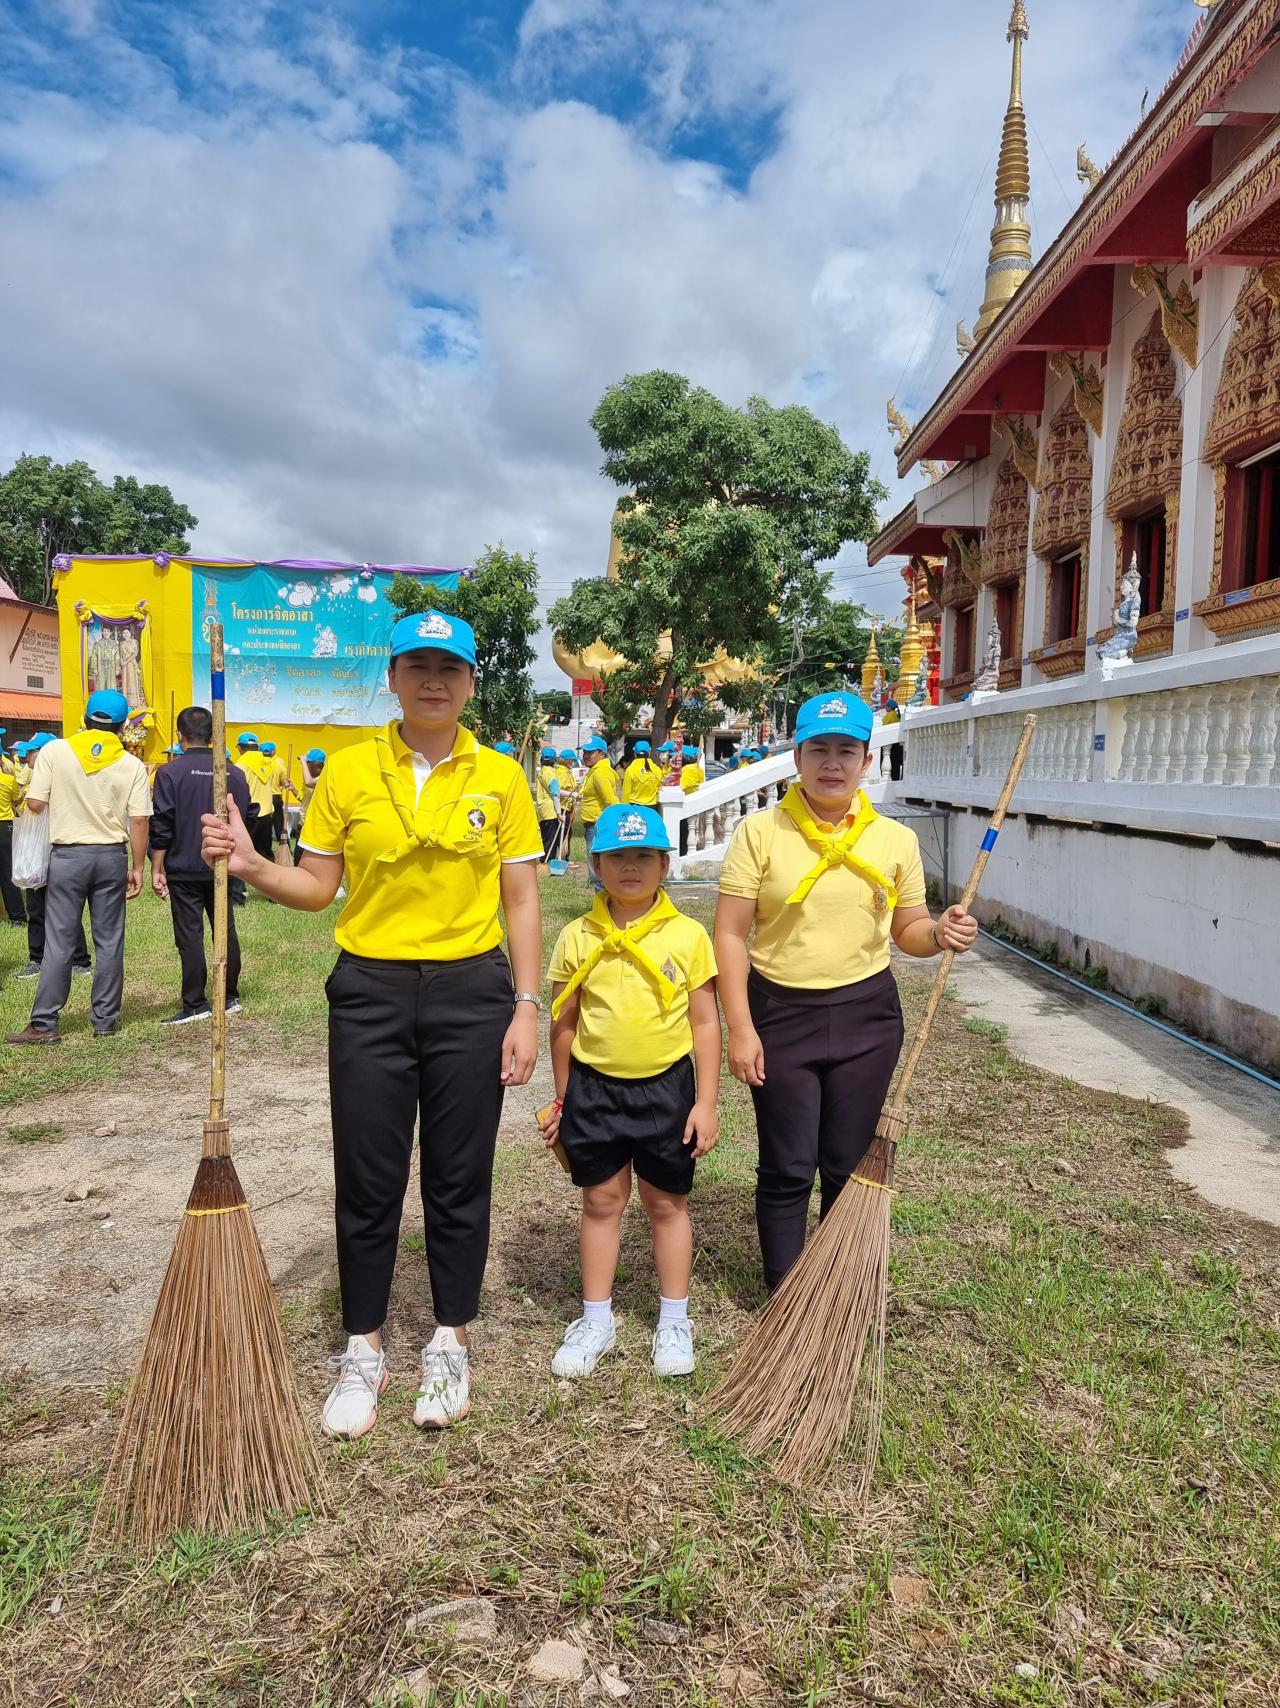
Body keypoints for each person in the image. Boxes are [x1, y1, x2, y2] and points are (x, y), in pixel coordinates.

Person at [200, 609, 543, 1440]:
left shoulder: (500, 777)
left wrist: (526, 1004)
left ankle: (450, 1339)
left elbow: (523, 896)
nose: (434, 680)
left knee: (459, 1177)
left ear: (469, 682)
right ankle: (364, 1347)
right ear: (390, 678)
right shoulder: (349, 773)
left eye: (450, 668)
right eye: (417, 665)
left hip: (471, 991)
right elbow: (319, 888)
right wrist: (249, 864)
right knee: (368, 1174)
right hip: (370, 993)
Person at [713, 691, 978, 1291]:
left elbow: (906, 928)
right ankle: (785, 1297)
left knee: (846, 1163)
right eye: (819, 749)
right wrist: (742, 1027)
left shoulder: (893, 841)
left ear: (866, 763)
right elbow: (729, 935)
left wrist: (938, 932)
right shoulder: (759, 834)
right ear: (797, 758)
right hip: (780, 1013)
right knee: (787, 1164)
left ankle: (838, 1290)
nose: (832, 763)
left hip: (867, 1018)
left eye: (847, 751)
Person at [540, 805, 720, 1379]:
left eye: (645, 856)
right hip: (594, 1089)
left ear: (666, 864)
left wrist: (707, 1102)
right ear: (595, 864)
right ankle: (597, 1318)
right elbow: (563, 1024)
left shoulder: (688, 936)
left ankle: (674, 1318)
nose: (631, 867)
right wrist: (565, 1099)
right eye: (618, 855)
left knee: (666, 1204)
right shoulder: (576, 936)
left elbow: (706, 1024)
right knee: (600, 1201)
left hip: (667, 1089)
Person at [6, 690, 150, 1045]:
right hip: (111, 857)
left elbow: (36, 804)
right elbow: (141, 821)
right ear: (120, 727)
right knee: (109, 941)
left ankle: (44, 1024)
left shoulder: (55, 751)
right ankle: (104, 1020)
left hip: (67, 857)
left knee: (59, 941)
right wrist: (138, 868)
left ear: (85, 719)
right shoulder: (132, 765)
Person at [150, 706, 253, 1025]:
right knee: (226, 929)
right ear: (213, 737)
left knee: (190, 935)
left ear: (180, 738)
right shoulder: (233, 773)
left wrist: (157, 867)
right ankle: (230, 995)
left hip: (184, 867)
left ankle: (195, 1003)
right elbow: (246, 817)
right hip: (225, 863)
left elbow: (162, 825)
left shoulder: (169, 773)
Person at [577, 736, 619, 890]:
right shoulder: (595, 771)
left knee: (598, 874)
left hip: (598, 826)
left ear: (601, 753)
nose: (586, 756)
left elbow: (610, 801)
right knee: (598, 871)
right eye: (584, 752)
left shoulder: (600, 772)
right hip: (594, 826)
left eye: (590, 752)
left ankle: (604, 909)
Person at [0, 746, 29, 928]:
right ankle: (17, 917)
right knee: (7, 874)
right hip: (4, 828)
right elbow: (18, 799)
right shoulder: (8, 780)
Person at [535, 746, 563, 862]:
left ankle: (544, 860)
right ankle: (548, 862)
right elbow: (555, 794)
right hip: (551, 810)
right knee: (551, 839)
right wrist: (559, 813)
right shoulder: (551, 774)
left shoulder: (542, 772)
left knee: (545, 837)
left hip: (542, 811)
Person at [678, 744, 704, 858]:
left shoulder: (684, 770)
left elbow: (681, 787)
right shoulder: (699, 770)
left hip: (685, 804)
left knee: (684, 832)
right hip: (697, 804)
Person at [622, 740, 663, 806]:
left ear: (635, 754)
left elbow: (625, 794)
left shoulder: (630, 770)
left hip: (634, 809)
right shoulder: (657, 770)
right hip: (652, 808)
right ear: (649, 753)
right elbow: (660, 789)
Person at [883, 697, 904, 783]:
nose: (885, 708)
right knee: (897, 763)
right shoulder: (896, 715)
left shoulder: (890, 715)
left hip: (890, 741)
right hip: (897, 742)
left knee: (892, 762)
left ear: (890, 707)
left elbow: (884, 724)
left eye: (887, 706)